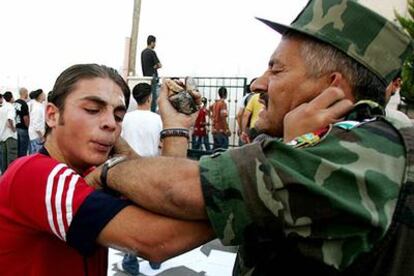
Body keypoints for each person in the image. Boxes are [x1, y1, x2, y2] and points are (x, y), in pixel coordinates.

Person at [84, 1, 414, 275]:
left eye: (277, 70)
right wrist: (177, 130)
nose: (258, 84)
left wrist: (106, 171)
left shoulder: (353, 152)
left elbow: (176, 200)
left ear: (331, 87)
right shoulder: (345, 147)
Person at [0, 64, 213, 276]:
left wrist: (176, 127)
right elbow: (156, 239)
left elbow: (170, 205)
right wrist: (243, 198)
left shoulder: (92, 172)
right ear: (52, 115)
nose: (111, 123)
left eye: (119, 116)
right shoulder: (33, 173)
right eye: (93, 110)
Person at [118, 82, 163, 275]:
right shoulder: (157, 119)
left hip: (128, 170)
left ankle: (131, 259)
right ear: (149, 98)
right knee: (153, 215)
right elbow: (162, 143)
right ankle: (155, 257)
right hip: (151, 170)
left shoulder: (126, 119)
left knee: (131, 217)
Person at [141, 35, 162, 112]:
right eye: (155, 43)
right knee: (155, 99)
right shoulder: (152, 52)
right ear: (152, 42)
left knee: (148, 98)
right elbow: (159, 65)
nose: (155, 45)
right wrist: (154, 66)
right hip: (153, 79)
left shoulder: (143, 52)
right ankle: (153, 112)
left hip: (146, 78)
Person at [0, 91, 17, 173]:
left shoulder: (2, 108)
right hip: (10, 136)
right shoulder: (10, 107)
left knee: (3, 160)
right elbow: (9, 119)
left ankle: (3, 178)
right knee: (11, 160)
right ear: (11, 98)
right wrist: (13, 129)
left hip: (2, 136)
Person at [236, 79, 255, 146]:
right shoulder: (264, 97)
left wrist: (241, 129)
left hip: (247, 128)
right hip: (259, 130)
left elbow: (239, 115)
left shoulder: (246, 98)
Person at [28, 89, 46, 154]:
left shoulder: (39, 105)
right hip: (37, 136)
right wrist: (41, 136)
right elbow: (36, 124)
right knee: (37, 156)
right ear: (40, 96)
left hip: (37, 135)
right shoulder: (37, 108)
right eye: (43, 94)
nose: (45, 95)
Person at [14, 87, 30, 157]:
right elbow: (25, 117)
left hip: (16, 127)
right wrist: (28, 126)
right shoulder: (24, 104)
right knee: (23, 150)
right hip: (23, 128)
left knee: (18, 149)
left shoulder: (15, 103)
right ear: (25, 93)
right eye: (27, 93)